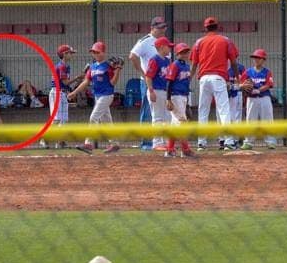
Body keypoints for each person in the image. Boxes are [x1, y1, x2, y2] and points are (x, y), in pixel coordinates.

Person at [189, 17, 238, 151]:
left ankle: (201, 143)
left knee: (203, 110)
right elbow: (233, 62)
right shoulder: (225, 40)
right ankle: (228, 141)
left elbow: (194, 63)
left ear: (205, 28)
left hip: (204, 78)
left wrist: (190, 77)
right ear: (218, 27)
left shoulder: (199, 42)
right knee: (223, 110)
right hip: (218, 78)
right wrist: (238, 77)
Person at [67, 41, 122, 154]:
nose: (95, 54)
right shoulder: (92, 67)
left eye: (97, 52)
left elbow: (112, 83)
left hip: (106, 95)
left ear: (103, 53)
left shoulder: (108, 66)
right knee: (106, 122)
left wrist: (117, 71)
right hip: (98, 96)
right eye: (93, 52)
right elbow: (86, 82)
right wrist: (75, 92)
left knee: (93, 117)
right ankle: (115, 144)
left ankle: (88, 143)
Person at [129, 17, 170, 151]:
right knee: (148, 112)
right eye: (160, 27)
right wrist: (143, 72)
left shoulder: (164, 42)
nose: (163, 29)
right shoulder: (145, 41)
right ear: (152, 28)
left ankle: (161, 141)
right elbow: (132, 56)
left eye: (164, 27)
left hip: (162, 83)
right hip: (149, 82)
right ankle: (147, 142)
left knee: (162, 114)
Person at [40, 44, 77, 149]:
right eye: (70, 53)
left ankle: (60, 141)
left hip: (62, 93)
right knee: (56, 120)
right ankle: (44, 138)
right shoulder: (61, 66)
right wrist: (78, 77)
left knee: (64, 119)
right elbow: (65, 82)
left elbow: (65, 84)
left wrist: (69, 93)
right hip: (57, 93)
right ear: (64, 54)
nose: (71, 55)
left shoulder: (66, 66)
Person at [163, 42, 195, 158]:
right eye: (182, 52)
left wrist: (187, 101)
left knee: (175, 125)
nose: (185, 54)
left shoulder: (186, 66)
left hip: (183, 96)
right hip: (175, 96)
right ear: (177, 54)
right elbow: (169, 82)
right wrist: (168, 99)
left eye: (186, 51)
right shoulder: (175, 65)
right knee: (182, 123)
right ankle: (185, 149)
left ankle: (170, 150)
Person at [240, 48, 277, 150]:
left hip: (264, 97)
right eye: (255, 58)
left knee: (268, 119)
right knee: (250, 120)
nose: (256, 60)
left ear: (263, 60)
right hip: (251, 99)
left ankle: (271, 142)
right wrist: (246, 87)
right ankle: (248, 142)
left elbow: (269, 84)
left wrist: (258, 90)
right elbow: (242, 83)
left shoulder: (267, 72)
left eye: (259, 58)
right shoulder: (248, 72)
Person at [224, 55, 247, 149]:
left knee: (237, 118)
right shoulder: (223, 67)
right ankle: (227, 140)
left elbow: (244, 82)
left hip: (239, 94)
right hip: (228, 96)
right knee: (229, 117)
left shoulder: (240, 67)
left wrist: (244, 94)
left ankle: (236, 140)